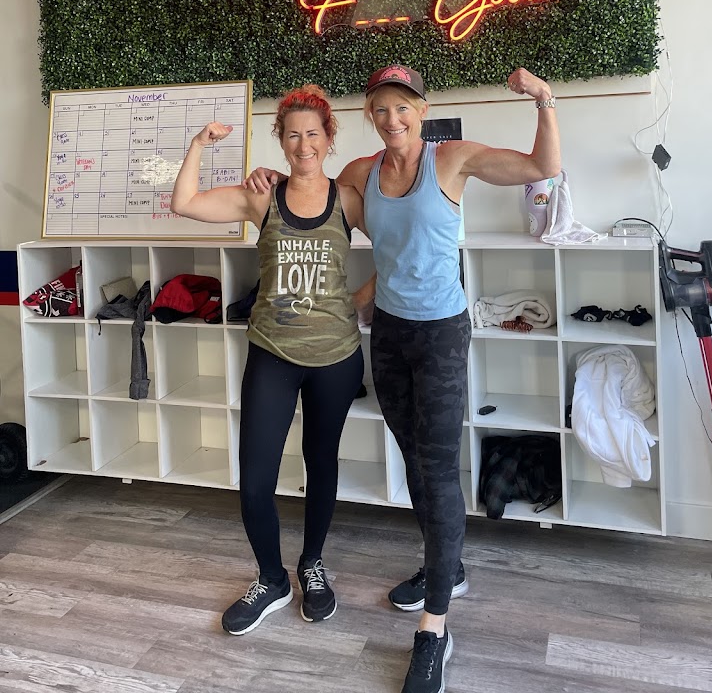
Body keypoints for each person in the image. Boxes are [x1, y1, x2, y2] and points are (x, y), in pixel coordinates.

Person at [246, 65, 560, 693]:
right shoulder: (362, 173)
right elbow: (314, 195)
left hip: (440, 335)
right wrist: (272, 179)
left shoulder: (453, 159)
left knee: (437, 469)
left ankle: (434, 629)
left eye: (404, 106)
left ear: (422, 109)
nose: (393, 118)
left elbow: (540, 167)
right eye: (382, 108)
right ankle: (447, 568)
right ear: (371, 115)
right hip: (389, 335)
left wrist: (544, 101)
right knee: (415, 459)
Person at [171, 85, 374, 636]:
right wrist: (198, 144)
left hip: (336, 357)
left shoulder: (349, 200)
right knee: (256, 478)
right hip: (272, 355)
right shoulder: (261, 197)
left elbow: (402, 247)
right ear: (281, 142)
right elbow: (185, 203)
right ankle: (271, 578)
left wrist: (358, 302)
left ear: (329, 138)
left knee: (321, 464)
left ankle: (312, 565)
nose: (304, 145)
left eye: (313, 134)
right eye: (293, 135)